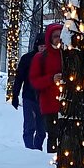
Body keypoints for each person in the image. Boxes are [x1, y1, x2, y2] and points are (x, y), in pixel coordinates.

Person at [28, 23, 64, 154]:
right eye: (55, 36)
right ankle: (52, 160)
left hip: (67, 103)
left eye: (60, 36)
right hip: (49, 105)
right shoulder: (40, 57)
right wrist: (51, 79)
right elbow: (34, 81)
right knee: (53, 135)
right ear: (49, 38)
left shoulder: (68, 55)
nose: (58, 39)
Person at [11, 39, 46, 150]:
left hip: (44, 98)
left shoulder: (49, 59)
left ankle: (37, 149)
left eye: (45, 46)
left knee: (42, 130)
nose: (43, 48)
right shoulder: (27, 59)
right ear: (37, 46)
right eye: (41, 46)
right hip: (29, 96)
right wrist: (15, 95)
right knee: (29, 126)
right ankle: (29, 151)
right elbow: (19, 78)